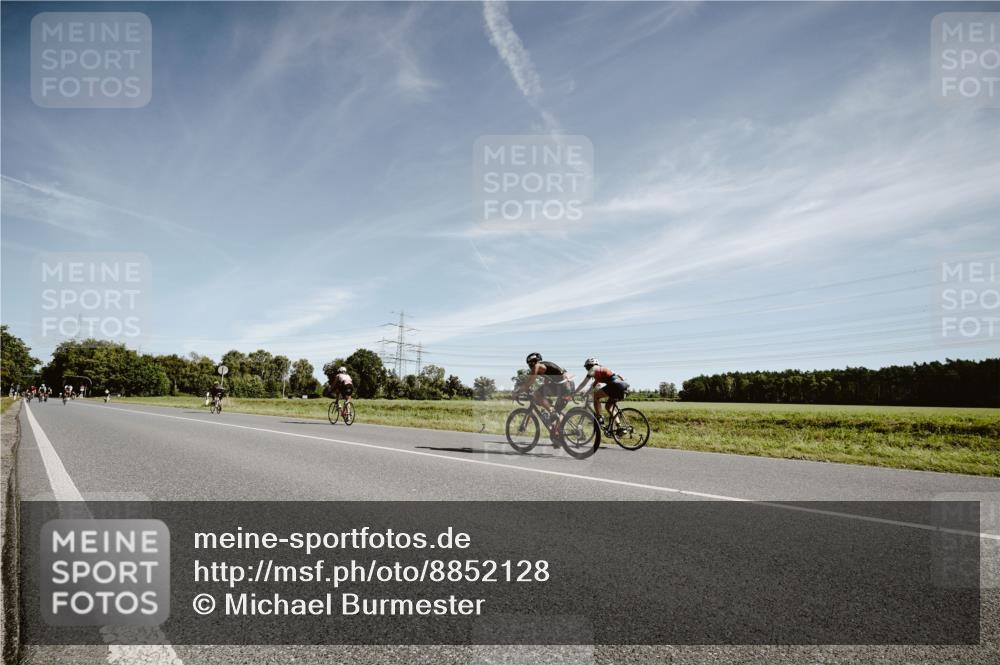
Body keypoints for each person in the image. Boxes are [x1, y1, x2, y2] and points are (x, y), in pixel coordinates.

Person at [514, 353, 573, 424]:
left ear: (534, 362)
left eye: (530, 363)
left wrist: (517, 392)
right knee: (556, 414)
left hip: (562, 386)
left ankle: (552, 411)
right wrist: (544, 400)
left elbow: (530, 382)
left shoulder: (537, 365)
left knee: (537, 394)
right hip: (567, 386)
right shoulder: (546, 366)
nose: (530, 366)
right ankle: (559, 432)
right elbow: (546, 383)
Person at [575, 358, 630, 423]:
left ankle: (600, 417)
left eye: (587, 367)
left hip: (615, 385)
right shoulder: (601, 371)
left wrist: (574, 392)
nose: (587, 369)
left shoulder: (594, 368)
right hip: (623, 386)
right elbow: (592, 386)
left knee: (595, 396)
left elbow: (584, 383)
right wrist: (586, 393)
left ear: (592, 365)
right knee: (609, 407)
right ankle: (619, 426)